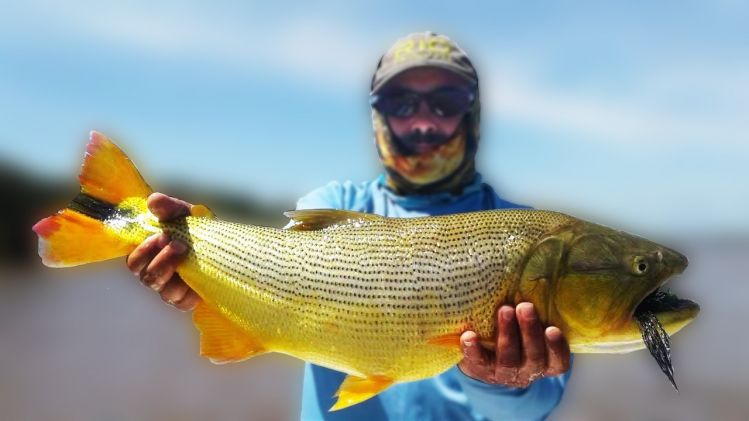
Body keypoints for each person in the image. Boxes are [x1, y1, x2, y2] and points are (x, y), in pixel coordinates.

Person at [126, 32, 572, 421]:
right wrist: (196, 264)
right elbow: (271, 269)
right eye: (402, 103)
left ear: (471, 116)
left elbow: (535, 408)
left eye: (446, 102)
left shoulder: (529, 239)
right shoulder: (334, 205)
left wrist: (504, 378)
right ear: (378, 117)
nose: (421, 121)